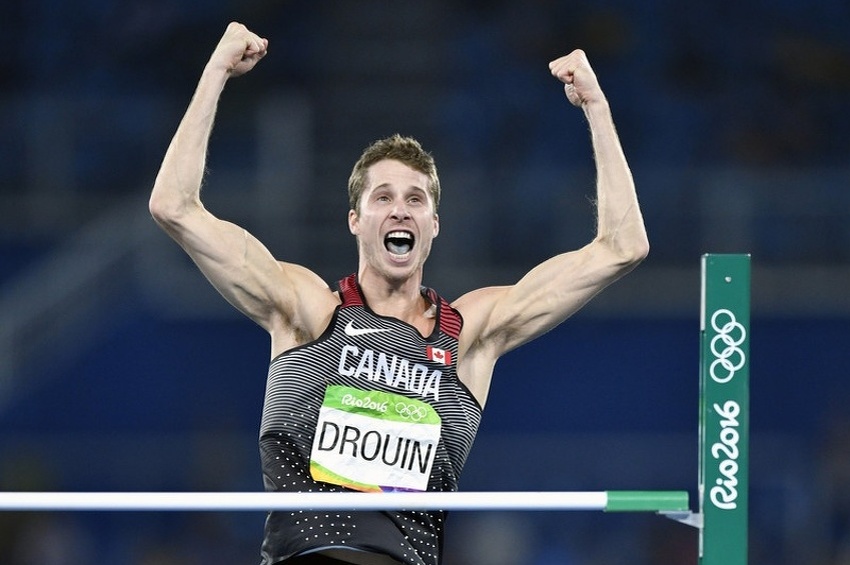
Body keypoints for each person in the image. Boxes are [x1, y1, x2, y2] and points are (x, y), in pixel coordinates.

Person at [149, 21, 648, 565]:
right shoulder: (306, 310)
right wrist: (216, 70)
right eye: (382, 197)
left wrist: (596, 107)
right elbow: (173, 205)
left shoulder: (471, 334)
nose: (399, 209)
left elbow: (623, 246)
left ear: (434, 224)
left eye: (415, 199)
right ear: (355, 221)